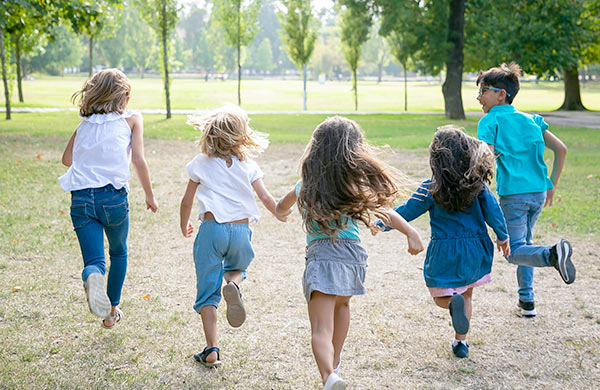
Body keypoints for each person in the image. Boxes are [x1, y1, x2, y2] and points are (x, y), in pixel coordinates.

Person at [275, 116, 424, 390]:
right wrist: (411, 233)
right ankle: (337, 361)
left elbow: (280, 207)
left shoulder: (305, 186)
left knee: (320, 328)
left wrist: (280, 211)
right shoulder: (353, 185)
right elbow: (387, 212)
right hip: (353, 256)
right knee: (343, 305)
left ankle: (328, 376)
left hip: (322, 257)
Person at [373, 127, 510, 358]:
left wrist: (382, 223)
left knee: (440, 295)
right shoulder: (477, 185)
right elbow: (494, 212)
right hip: (476, 248)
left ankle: (450, 305)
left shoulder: (431, 186)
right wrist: (503, 236)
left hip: (445, 250)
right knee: (466, 293)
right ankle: (461, 342)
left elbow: (408, 210)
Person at [179, 105, 289, 368]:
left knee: (207, 292)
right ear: (242, 136)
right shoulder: (247, 165)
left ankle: (212, 350)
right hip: (240, 231)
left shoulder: (200, 163)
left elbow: (187, 200)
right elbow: (264, 196)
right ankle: (235, 284)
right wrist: (277, 212)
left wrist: (184, 225)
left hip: (211, 229)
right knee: (237, 269)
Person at [59, 69, 158, 329]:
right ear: (124, 99)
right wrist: (149, 195)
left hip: (81, 201)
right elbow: (138, 159)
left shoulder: (84, 125)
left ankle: (92, 277)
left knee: (94, 262)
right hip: (113, 199)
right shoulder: (132, 119)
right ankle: (111, 311)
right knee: (119, 251)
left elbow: (66, 160)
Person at [476, 62, 574, 317]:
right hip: (538, 194)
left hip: (514, 196)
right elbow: (561, 150)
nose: (478, 97)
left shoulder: (490, 121)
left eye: (484, 90)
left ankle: (552, 255)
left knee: (514, 251)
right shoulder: (533, 120)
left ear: (501, 94)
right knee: (524, 245)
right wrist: (552, 183)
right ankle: (527, 301)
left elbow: (485, 158)